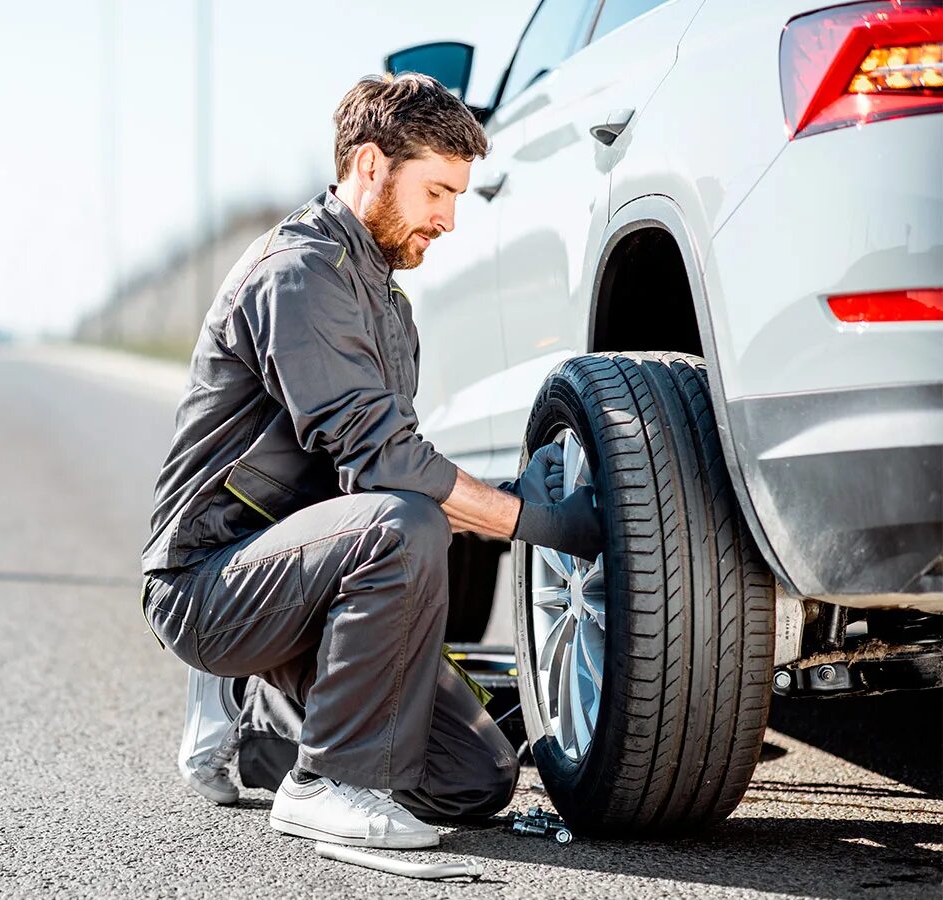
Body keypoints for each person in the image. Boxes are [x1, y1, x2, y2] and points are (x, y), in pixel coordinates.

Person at [141, 73, 605, 850]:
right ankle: (328, 783)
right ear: (368, 167)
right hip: (207, 580)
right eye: (435, 192)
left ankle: (262, 727)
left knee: (473, 778)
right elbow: (387, 474)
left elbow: (378, 472)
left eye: (457, 197)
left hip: (302, 574)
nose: (450, 219)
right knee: (402, 525)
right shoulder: (300, 275)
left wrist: (499, 498)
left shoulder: (387, 304)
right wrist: (532, 520)